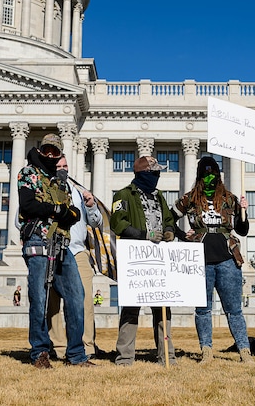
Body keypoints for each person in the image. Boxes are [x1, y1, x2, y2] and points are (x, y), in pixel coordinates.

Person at [17, 134, 95, 369]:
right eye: (47, 150)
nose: (51, 155)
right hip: (38, 241)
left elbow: (74, 214)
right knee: (39, 299)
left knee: (76, 297)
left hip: (63, 244)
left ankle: (76, 354)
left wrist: (59, 211)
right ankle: (40, 352)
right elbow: (28, 205)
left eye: (55, 152)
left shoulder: (61, 181)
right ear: (41, 151)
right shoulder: (28, 173)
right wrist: (57, 210)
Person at [171, 156, 253, 364]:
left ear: (219, 175)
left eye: (213, 173)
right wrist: (182, 235)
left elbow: (242, 231)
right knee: (203, 309)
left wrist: (244, 211)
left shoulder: (229, 198)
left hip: (228, 259)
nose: (210, 177)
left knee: (234, 309)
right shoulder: (189, 199)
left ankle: (245, 351)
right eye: (206, 174)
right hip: (199, 260)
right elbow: (168, 219)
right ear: (199, 176)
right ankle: (206, 350)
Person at [110, 155, 176, 366]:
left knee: (163, 307)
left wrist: (169, 231)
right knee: (131, 308)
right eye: (154, 172)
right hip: (136, 259)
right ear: (143, 174)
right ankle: (125, 358)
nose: (158, 176)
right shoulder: (123, 195)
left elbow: (168, 220)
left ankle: (166, 356)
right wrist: (144, 235)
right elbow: (118, 224)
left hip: (159, 259)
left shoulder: (159, 197)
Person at [48, 154, 103, 360]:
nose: (63, 169)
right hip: (53, 250)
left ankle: (87, 346)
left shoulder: (78, 191)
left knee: (85, 301)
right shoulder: (44, 189)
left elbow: (95, 222)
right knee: (52, 302)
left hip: (78, 251)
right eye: (58, 166)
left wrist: (91, 206)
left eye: (65, 165)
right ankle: (59, 347)